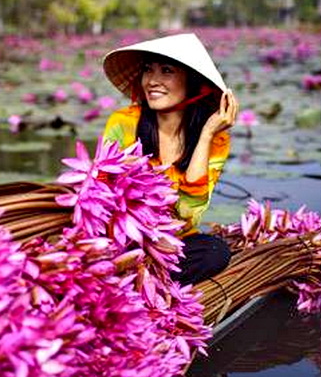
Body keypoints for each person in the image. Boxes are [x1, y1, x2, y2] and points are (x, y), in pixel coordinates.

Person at [101, 33, 238, 285]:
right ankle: (131, 279)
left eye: (166, 71)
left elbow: (187, 215)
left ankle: (144, 284)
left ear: (191, 81)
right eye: (147, 70)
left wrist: (206, 135)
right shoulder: (122, 123)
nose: (152, 81)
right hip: (120, 236)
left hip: (172, 242)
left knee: (215, 253)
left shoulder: (215, 138)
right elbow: (102, 191)